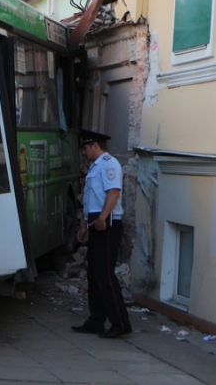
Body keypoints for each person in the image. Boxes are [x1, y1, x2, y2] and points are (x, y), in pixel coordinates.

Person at [71, 130, 132, 339]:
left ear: (95, 145)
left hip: (108, 225)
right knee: (94, 275)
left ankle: (121, 323)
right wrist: (85, 225)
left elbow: (113, 193)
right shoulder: (94, 167)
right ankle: (96, 321)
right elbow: (92, 200)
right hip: (97, 224)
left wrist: (103, 219)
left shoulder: (109, 164)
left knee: (105, 275)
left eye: (86, 148)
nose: (84, 152)